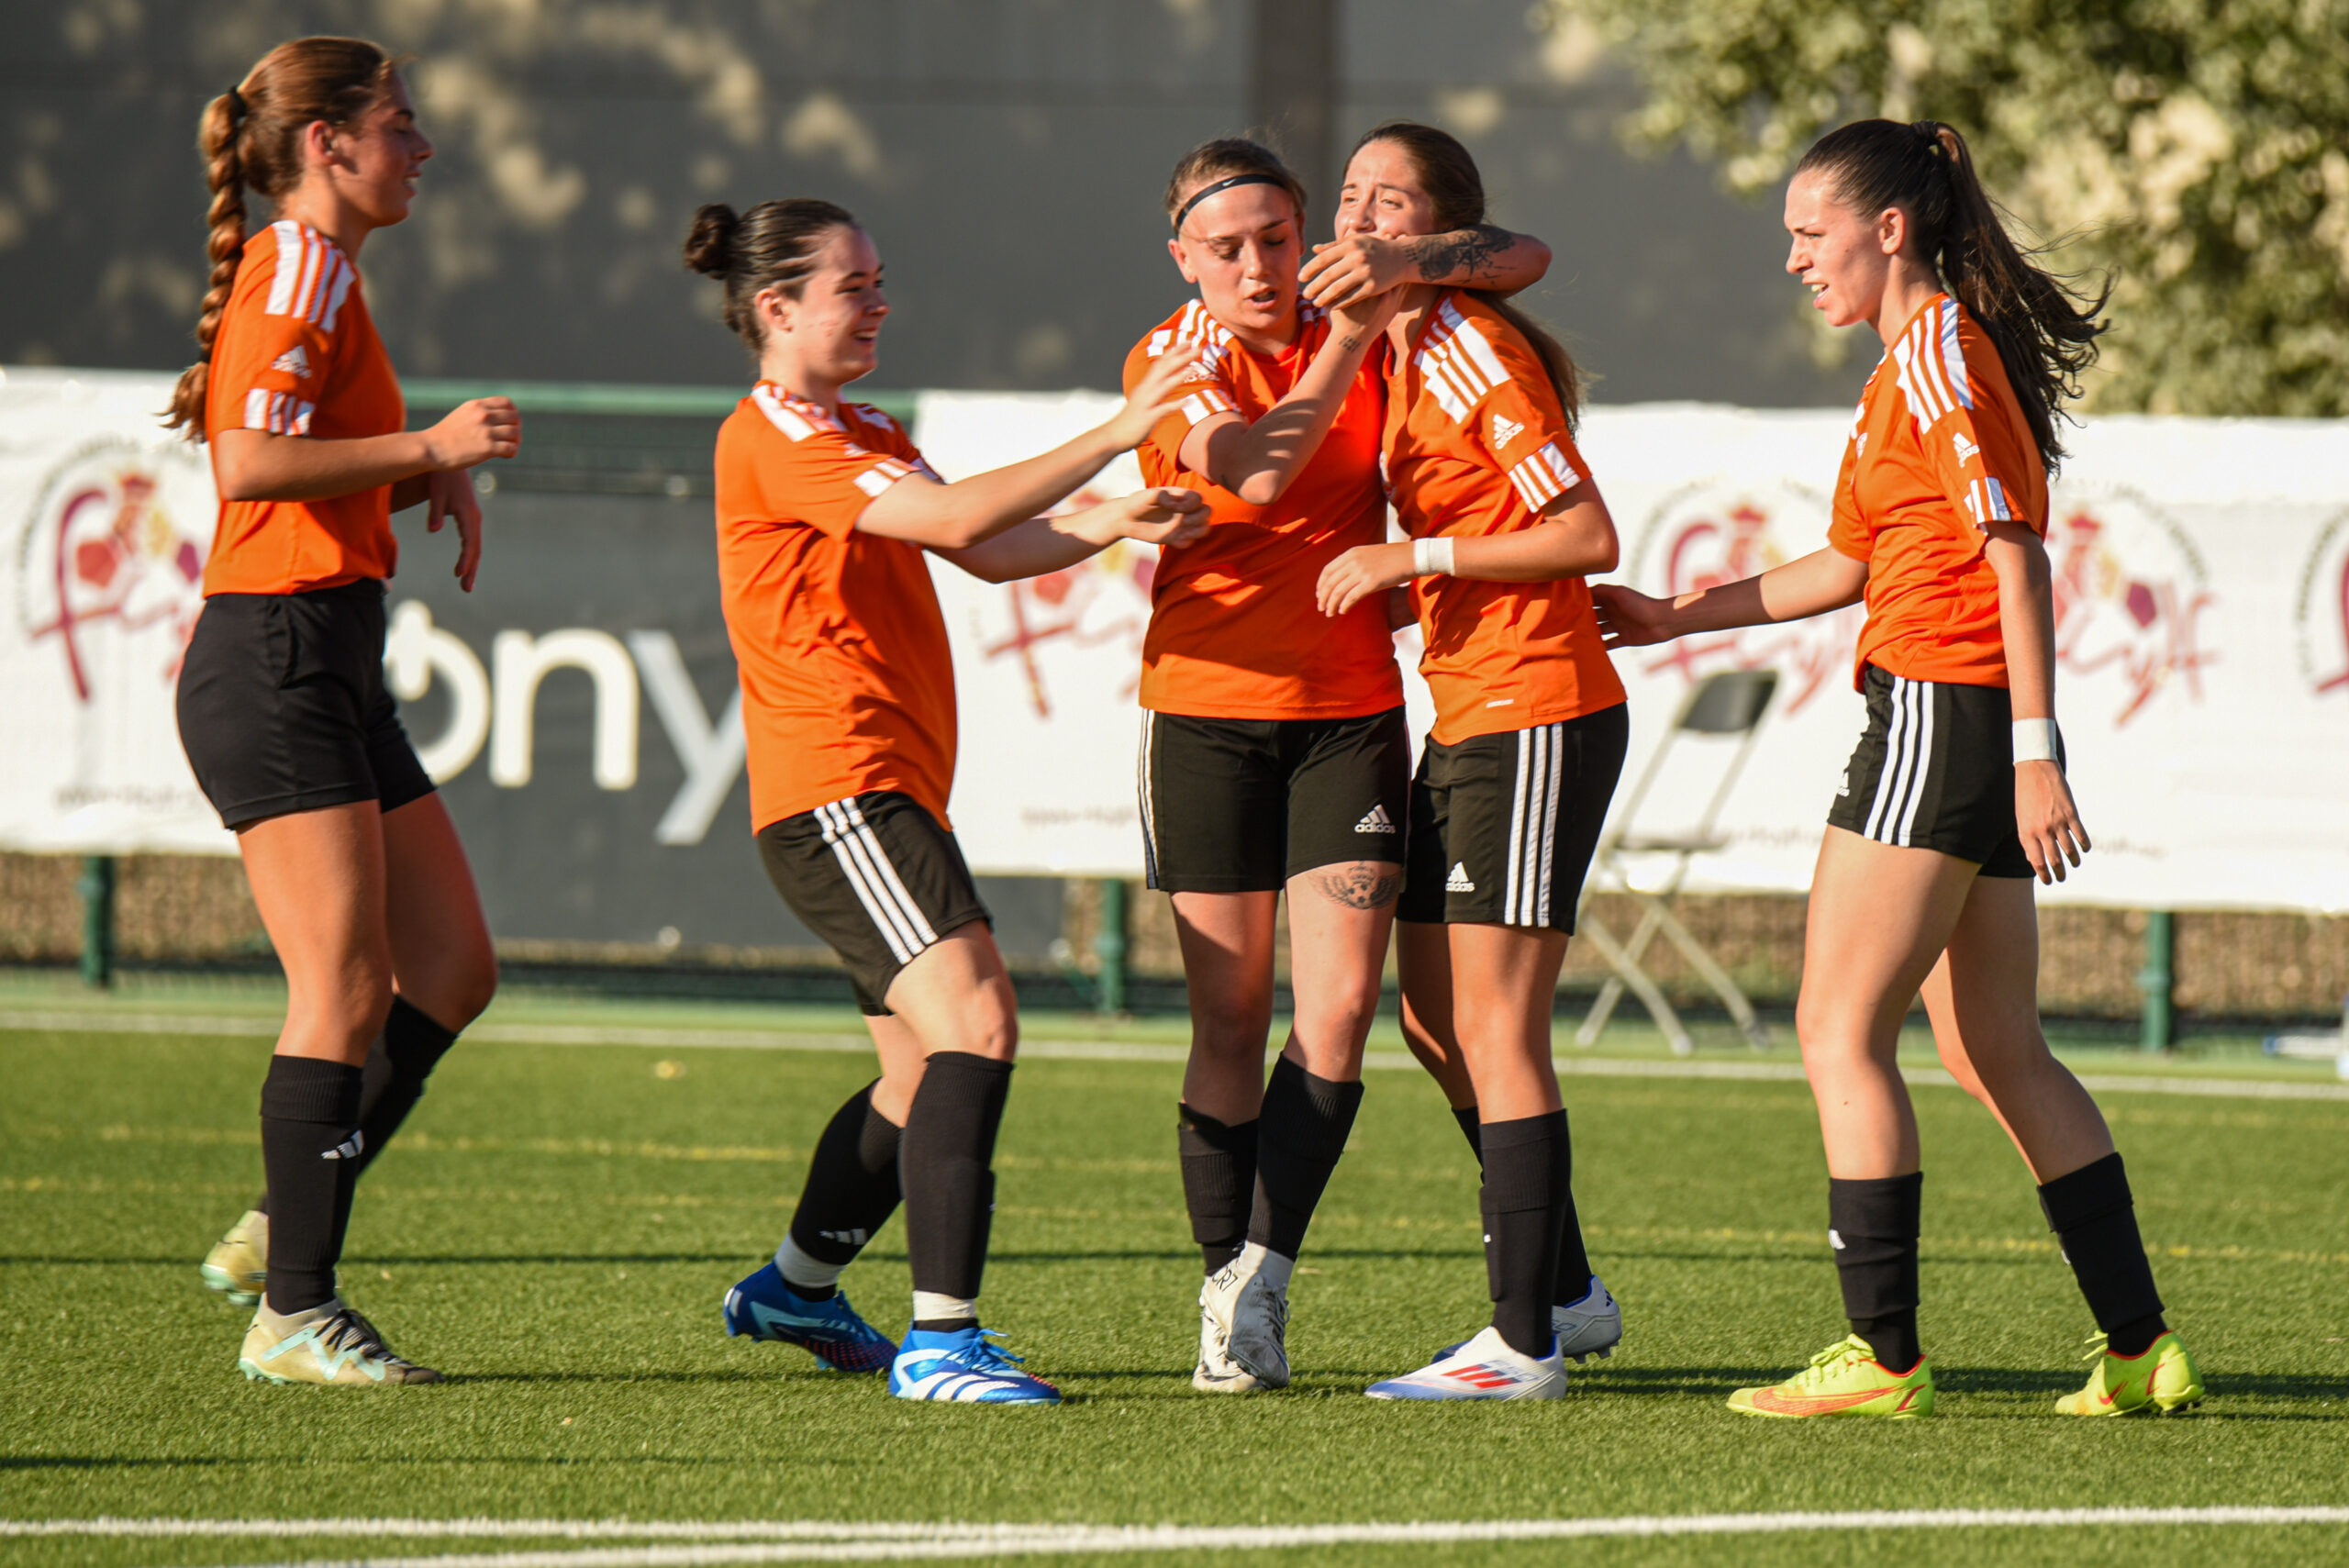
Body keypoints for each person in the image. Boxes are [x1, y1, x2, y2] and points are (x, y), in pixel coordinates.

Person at [1593, 119, 2204, 1419]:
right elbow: (1850, 565)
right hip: (1959, 717)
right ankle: (2143, 1348)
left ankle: (1883, 1356)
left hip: (1943, 715)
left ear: (1889, 230)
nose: (1797, 263)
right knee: (1992, 1047)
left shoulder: (1933, 353)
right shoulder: (1909, 368)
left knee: (1834, 1027)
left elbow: (2015, 554)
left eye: (1810, 236)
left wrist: (2039, 757)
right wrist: (1676, 612)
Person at [685, 198, 1208, 1407]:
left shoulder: (853, 424)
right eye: (851, 286)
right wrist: (1128, 429)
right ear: (777, 309)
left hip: (879, 788)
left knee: (921, 1075)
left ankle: (795, 1287)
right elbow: (961, 518)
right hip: (838, 791)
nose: (876, 303)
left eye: (878, 281)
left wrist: (1115, 518)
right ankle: (941, 1342)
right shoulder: (772, 435)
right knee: (979, 1019)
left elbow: (984, 546)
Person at [1125, 137, 1553, 1393]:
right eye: (1227, 247)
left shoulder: (1344, 295)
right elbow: (1257, 464)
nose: (1259, 266)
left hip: (1349, 714)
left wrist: (1395, 260)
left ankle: (1260, 1283)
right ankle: (1223, 1289)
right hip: (1202, 715)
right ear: (1183, 259)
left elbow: (1525, 254)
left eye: (1279, 237)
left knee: (1338, 1020)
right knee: (1228, 1015)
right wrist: (1352, 336)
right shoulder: (1177, 356)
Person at [168, 37, 517, 1385]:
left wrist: (405, 470)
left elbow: (300, 446)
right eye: (399, 123)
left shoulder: (328, 270)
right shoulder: (300, 261)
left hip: (329, 656)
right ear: (327, 145)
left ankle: (287, 1213)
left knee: (452, 970)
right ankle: (293, 1310)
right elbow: (249, 460)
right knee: (346, 987)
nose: (421, 147)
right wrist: (429, 448)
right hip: (277, 658)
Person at [1310, 123, 1627, 1401]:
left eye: (1396, 201)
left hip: (1538, 711)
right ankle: (1566, 1292)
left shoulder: (1470, 345)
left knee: (1499, 1026)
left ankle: (1523, 1347)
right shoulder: (1395, 348)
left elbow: (1584, 532)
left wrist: (1413, 562)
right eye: (1352, 195)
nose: (1363, 215)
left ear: (1443, 233)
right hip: (1476, 708)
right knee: (1436, 1022)